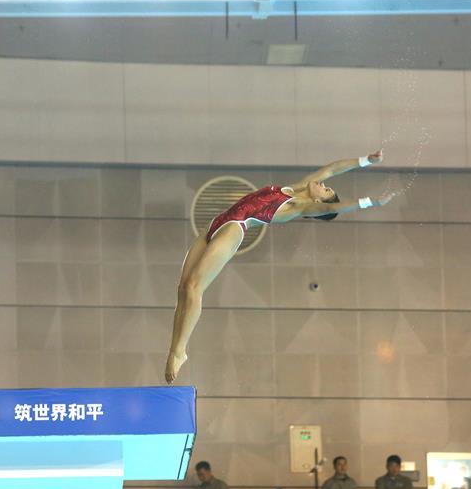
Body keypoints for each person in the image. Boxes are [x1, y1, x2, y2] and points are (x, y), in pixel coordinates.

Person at [165, 149, 392, 382]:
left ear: (317, 201)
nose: (323, 183)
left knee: (194, 287)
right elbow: (333, 168)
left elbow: (333, 208)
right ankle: (174, 349)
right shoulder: (298, 186)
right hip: (218, 221)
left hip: (234, 227)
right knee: (182, 288)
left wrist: (369, 202)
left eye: (326, 190)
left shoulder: (300, 206)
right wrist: (367, 161)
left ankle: (180, 351)